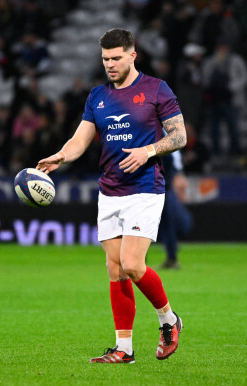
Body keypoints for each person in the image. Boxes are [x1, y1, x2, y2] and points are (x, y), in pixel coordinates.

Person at [37, 29, 187, 364]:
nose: (110, 64)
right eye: (105, 59)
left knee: (134, 264)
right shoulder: (97, 96)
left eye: (116, 57)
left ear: (133, 55)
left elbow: (179, 136)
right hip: (109, 191)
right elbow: (80, 140)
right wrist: (59, 157)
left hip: (145, 188)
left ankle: (168, 319)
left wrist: (148, 150)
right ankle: (124, 349)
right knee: (115, 269)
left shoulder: (156, 89)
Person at [159, 150, 193, 270]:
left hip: (163, 188)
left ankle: (172, 258)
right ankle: (140, 261)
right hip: (156, 188)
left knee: (172, 223)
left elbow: (172, 163)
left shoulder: (164, 141)